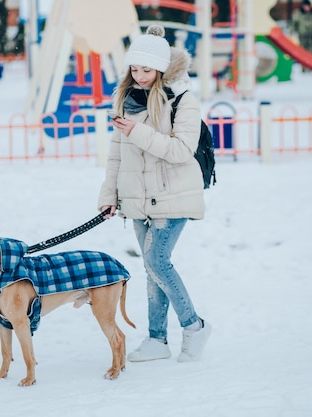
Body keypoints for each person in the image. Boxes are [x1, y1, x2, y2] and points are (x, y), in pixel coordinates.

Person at [97, 24, 211, 363]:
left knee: (158, 261)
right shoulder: (126, 99)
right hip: (138, 199)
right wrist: (108, 195)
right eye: (134, 68)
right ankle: (157, 340)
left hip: (173, 195)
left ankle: (194, 326)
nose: (140, 75)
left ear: (161, 68)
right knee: (151, 268)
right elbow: (117, 153)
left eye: (147, 69)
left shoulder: (183, 101)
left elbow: (180, 151)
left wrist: (139, 132)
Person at [292, 0, 312, 71]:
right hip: (302, 34)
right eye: (305, 6)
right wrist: (293, 31)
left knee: (311, 50)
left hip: (311, 34)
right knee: (303, 50)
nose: (307, 8)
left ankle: (311, 66)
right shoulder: (298, 13)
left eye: (308, 6)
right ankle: (303, 66)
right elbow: (294, 23)